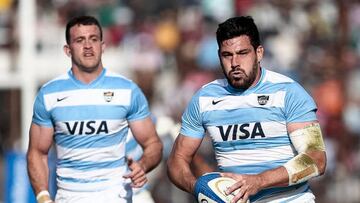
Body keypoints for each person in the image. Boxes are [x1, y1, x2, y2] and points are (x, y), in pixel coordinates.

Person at [167, 16, 327, 203]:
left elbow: (317, 159)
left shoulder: (289, 92)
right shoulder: (204, 98)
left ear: (259, 53)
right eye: (227, 55)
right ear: (219, 55)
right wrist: (199, 189)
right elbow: (177, 160)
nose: (235, 63)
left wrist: (259, 181)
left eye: (242, 53)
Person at [26, 15, 163, 203]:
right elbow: (37, 152)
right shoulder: (49, 95)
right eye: (80, 40)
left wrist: (143, 165)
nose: (88, 45)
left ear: (103, 46)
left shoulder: (127, 90)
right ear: (68, 50)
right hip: (69, 197)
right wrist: (43, 197)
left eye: (93, 39)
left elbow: (153, 144)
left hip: (116, 196)